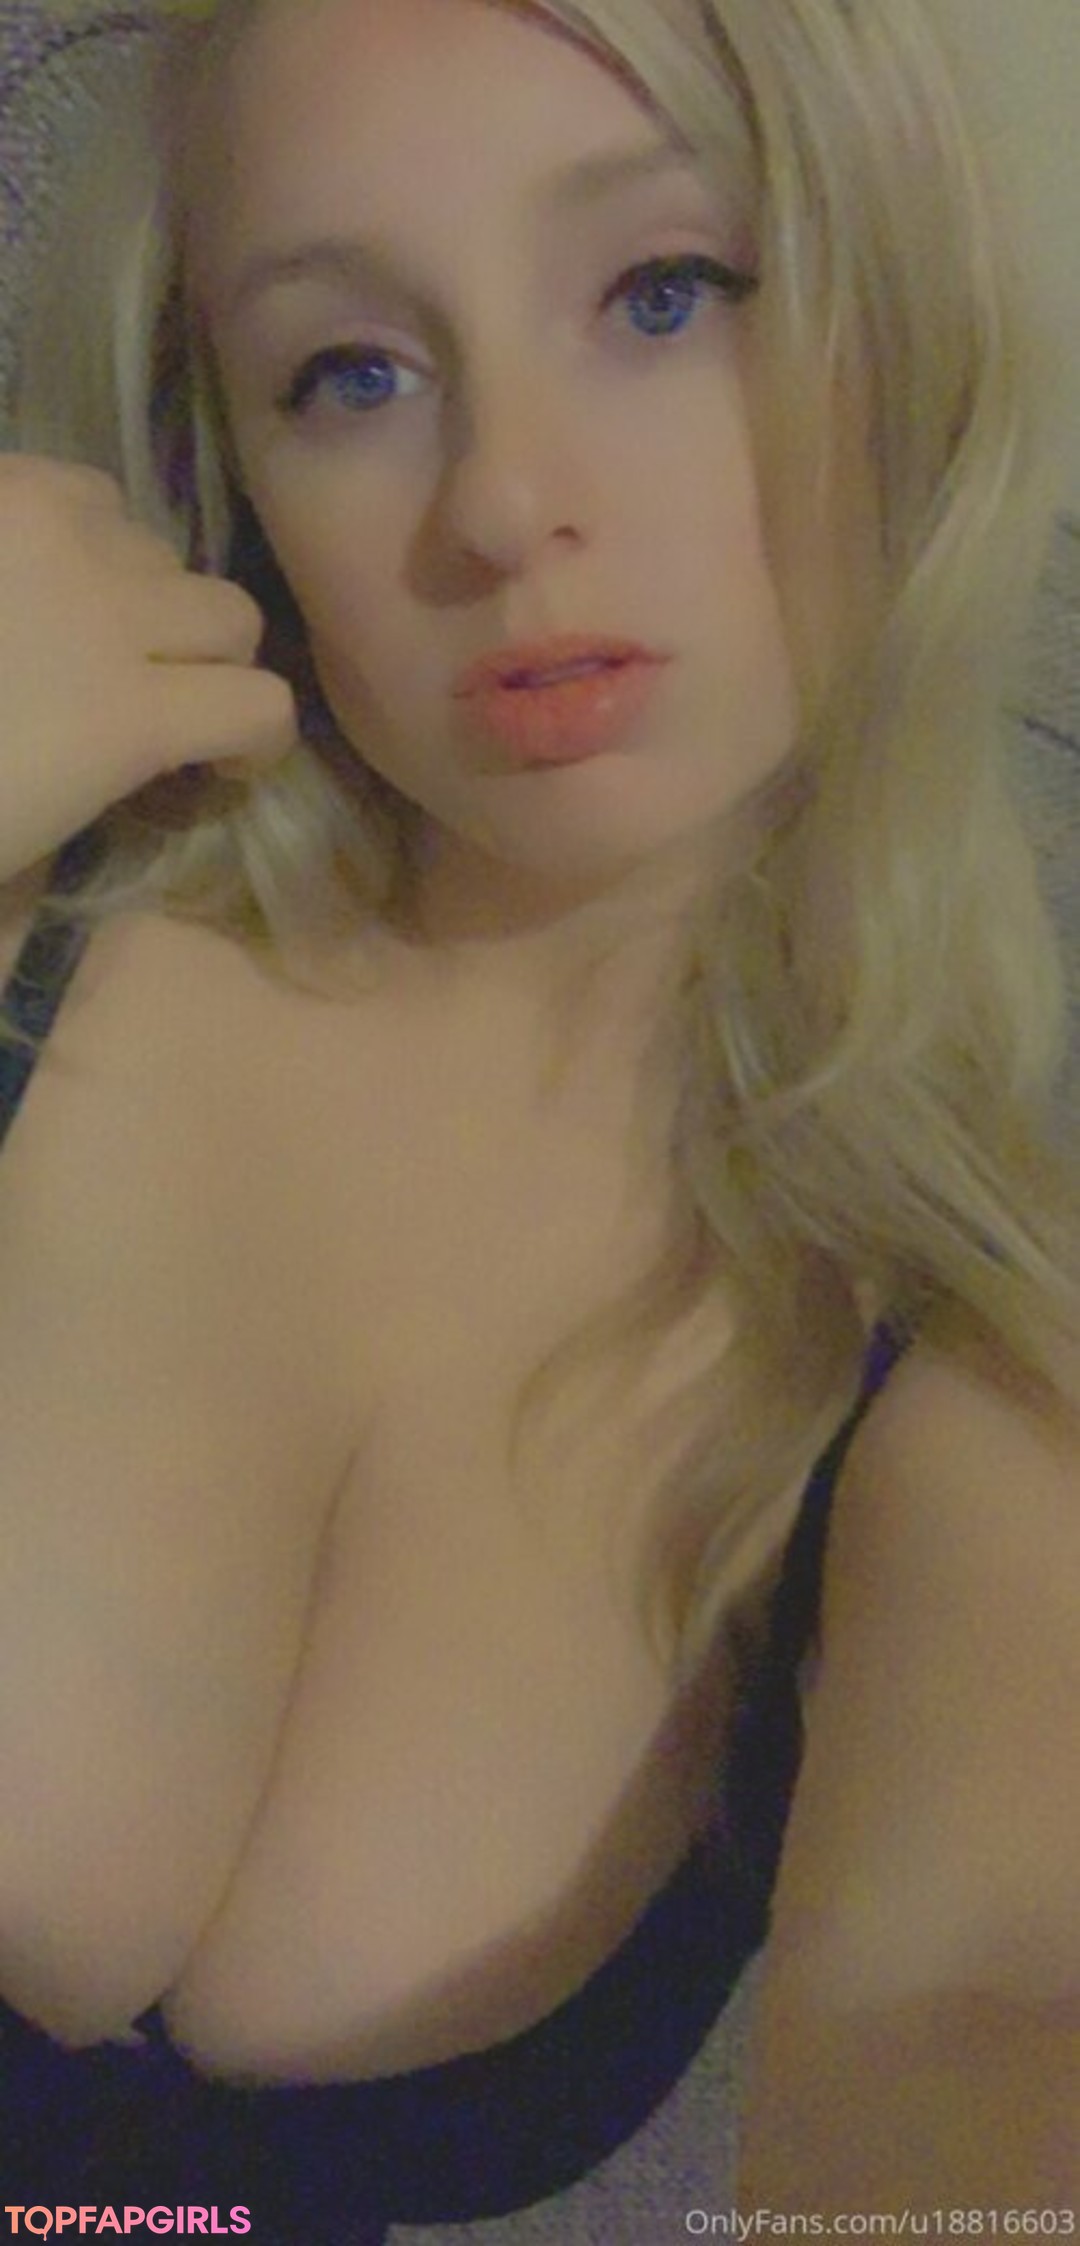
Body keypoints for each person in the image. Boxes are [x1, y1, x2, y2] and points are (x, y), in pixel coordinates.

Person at [1, 0, 1078, 2232]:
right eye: (350, 373)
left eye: (663, 292)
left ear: (901, 323)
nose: (502, 503)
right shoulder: (38, 890)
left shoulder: (962, 1373)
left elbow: (976, 1995)